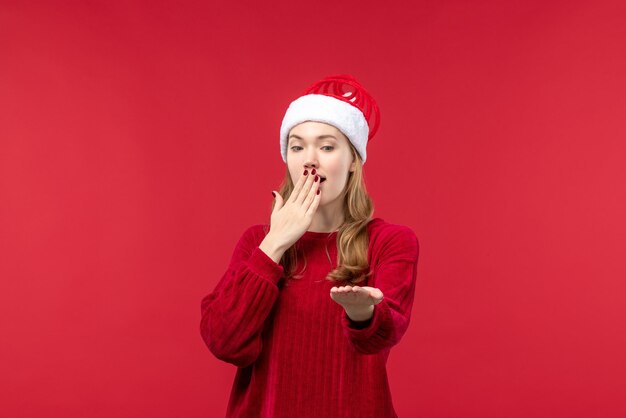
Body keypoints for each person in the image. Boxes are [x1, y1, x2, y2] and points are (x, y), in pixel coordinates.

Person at [200, 74, 420, 418]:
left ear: (353, 162)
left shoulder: (390, 241)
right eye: (297, 146)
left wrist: (363, 314)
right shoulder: (256, 242)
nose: (309, 159)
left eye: (327, 146)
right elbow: (225, 341)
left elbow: (383, 335)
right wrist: (274, 244)